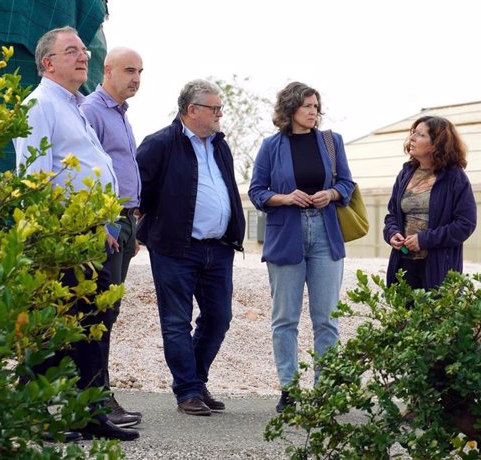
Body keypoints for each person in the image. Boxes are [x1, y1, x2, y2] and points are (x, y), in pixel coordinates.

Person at [13, 26, 138, 442]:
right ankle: (33, 416)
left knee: (91, 324)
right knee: (57, 327)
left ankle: (86, 412)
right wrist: (61, 233)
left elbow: (86, 169)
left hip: (90, 231)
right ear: (48, 63)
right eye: (71, 51)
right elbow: (35, 176)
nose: (83, 56)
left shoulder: (77, 106)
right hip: (62, 236)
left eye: (84, 50)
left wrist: (102, 223)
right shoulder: (39, 106)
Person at [135, 79, 246, 416]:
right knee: (176, 321)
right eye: (214, 108)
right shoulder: (159, 144)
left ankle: (195, 381)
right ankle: (187, 392)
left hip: (218, 248)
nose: (220, 114)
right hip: (175, 248)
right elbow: (139, 191)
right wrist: (143, 229)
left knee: (219, 318)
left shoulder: (220, 145)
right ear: (192, 110)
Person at [248, 82, 355, 413]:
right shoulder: (271, 146)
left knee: (326, 319)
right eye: (307, 106)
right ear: (290, 109)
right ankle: (289, 390)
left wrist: (332, 194)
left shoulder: (331, 142)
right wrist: (286, 197)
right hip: (286, 235)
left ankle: (324, 390)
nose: (313, 112)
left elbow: (347, 184)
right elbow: (257, 192)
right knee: (285, 319)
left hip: (325, 231)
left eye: (316, 107)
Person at [80, 46, 143, 428]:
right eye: (129, 70)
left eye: (140, 72)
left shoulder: (120, 114)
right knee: (98, 312)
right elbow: (87, 170)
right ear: (107, 70)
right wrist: (104, 221)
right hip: (105, 222)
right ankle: (95, 396)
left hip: (124, 222)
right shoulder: (91, 110)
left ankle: (99, 394)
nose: (136, 78)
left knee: (110, 312)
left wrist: (134, 223)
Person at [383, 115, 477, 291]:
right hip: (404, 264)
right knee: (403, 318)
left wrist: (424, 240)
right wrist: (392, 233)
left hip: (438, 268)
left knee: (435, 317)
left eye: (420, 134)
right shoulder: (405, 174)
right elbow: (392, 215)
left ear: (436, 144)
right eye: (413, 133)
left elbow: (466, 224)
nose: (412, 138)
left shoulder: (455, 178)